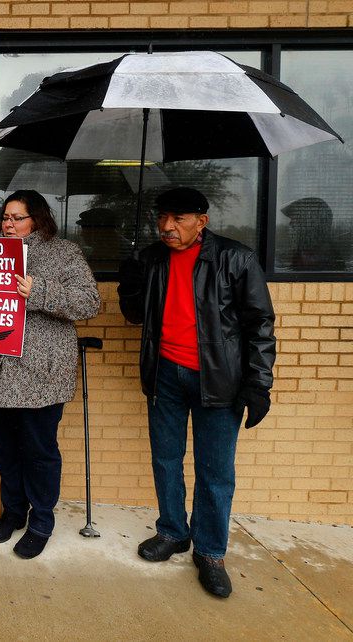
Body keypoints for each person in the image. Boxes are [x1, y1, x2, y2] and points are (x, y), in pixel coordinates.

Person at [118, 186, 276, 599]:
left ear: (202, 221)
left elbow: (260, 324)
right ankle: (172, 531)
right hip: (165, 375)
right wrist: (129, 283)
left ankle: (209, 552)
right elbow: (135, 317)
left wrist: (259, 384)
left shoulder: (234, 258)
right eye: (162, 218)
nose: (168, 227)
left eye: (179, 219)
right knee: (166, 459)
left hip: (219, 381)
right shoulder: (152, 259)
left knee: (215, 472)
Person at [0, 191, 100, 559]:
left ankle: (41, 520)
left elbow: (89, 302)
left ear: (37, 219)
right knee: (4, 449)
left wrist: (38, 290)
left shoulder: (63, 253)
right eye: (5, 218)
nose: (8, 224)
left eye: (17, 218)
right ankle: (13, 511)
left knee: (39, 452)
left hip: (39, 374)